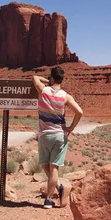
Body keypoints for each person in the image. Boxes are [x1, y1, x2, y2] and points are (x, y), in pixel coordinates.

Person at [32, 66, 83, 209]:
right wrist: (71, 128)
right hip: (60, 135)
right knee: (53, 167)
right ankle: (59, 187)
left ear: (52, 78)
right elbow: (79, 112)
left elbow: (35, 78)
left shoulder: (44, 90)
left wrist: (46, 80)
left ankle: (48, 199)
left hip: (45, 135)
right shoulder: (66, 96)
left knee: (45, 165)